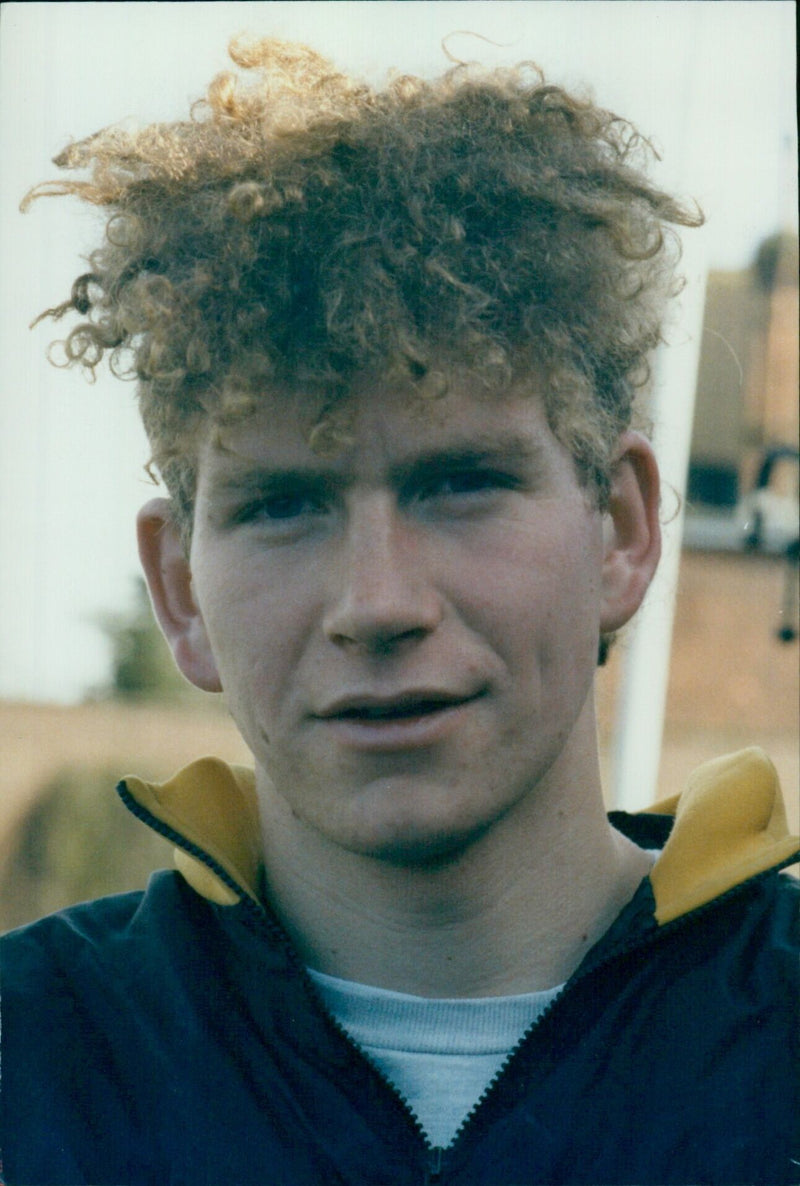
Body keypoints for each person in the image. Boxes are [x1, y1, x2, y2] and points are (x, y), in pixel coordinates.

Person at [1, 37, 797, 1186]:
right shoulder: (37, 1059)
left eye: (460, 483)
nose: (376, 602)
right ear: (178, 588)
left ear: (620, 529)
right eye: (283, 504)